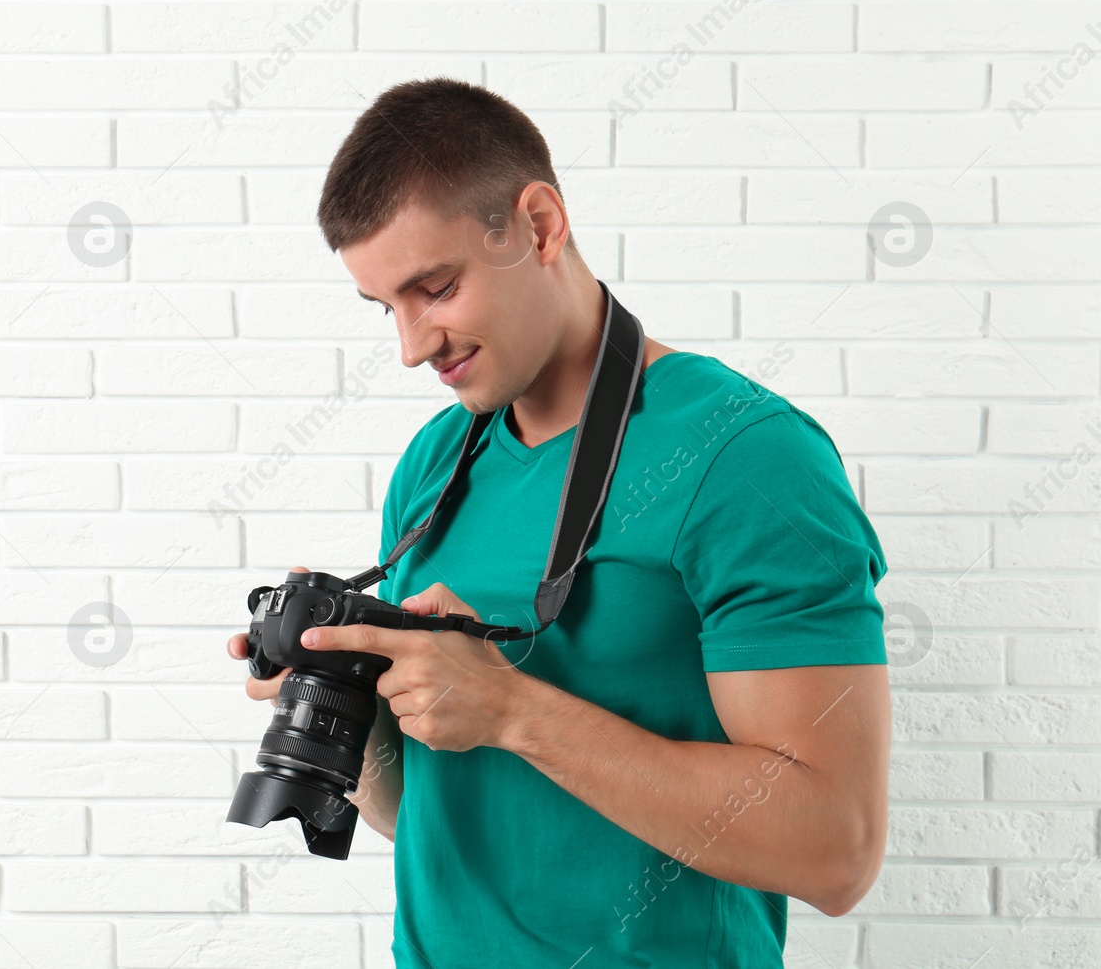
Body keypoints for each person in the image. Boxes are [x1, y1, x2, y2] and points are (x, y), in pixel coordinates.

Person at [226, 77, 891, 968]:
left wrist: (511, 709)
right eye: (388, 307)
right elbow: (428, 817)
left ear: (539, 225)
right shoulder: (435, 464)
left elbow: (836, 849)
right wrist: (346, 696)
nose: (412, 344)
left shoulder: (748, 459)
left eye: (437, 286)